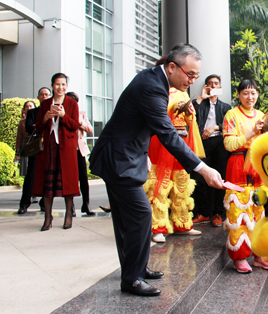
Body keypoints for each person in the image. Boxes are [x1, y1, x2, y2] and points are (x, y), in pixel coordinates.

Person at [89, 44, 223, 297]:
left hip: (125, 156)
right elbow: (167, 134)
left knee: (125, 219)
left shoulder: (155, 81)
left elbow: (141, 125)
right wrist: (203, 169)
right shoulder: (152, 86)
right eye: (190, 74)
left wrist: (144, 155)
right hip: (118, 160)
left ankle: (135, 268)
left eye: (196, 75)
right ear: (172, 67)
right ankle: (132, 279)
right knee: (141, 215)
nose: (192, 81)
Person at [145, 55, 204, 243]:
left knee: (181, 183)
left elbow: (191, 120)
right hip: (160, 142)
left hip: (181, 140)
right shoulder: (157, 89)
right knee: (159, 184)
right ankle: (158, 227)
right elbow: (156, 116)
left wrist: (188, 113)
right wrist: (173, 108)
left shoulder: (183, 92)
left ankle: (182, 224)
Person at [223, 79, 268, 274]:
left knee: (259, 210)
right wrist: (253, 131)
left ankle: (259, 255)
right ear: (238, 95)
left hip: (258, 165)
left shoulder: (262, 115)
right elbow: (229, 144)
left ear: (257, 94)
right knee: (239, 211)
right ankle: (240, 257)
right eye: (245, 93)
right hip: (238, 164)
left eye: (253, 93)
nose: (249, 97)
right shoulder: (232, 115)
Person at [32, 73, 80, 231]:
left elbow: (75, 125)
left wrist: (63, 116)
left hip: (66, 148)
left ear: (66, 86)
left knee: (67, 182)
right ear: (52, 85)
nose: (61, 87)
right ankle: (48, 217)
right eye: (57, 84)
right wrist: (46, 117)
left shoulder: (72, 103)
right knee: (47, 184)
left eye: (63, 84)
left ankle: (68, 215)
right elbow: (39, 127)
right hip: (49, 146)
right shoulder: (46, 103)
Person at [191, 74, 232, 227]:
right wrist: (201, 97)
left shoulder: (226, 107)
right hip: (202, 143)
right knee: (199, 177)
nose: (213, 86)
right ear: (206, 87)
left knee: (220, 178)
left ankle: (218, 213)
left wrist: (214, 127)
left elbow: (229, 126)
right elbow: (190, 115)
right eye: (210, 83)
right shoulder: (200, 104)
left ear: (220, 87)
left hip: (220, 143)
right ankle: (203, 212)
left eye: (216, 83)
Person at [17, 88, 52, 214]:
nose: (44, 96)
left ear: (50, 96)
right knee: (30, 176)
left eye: (46, 94)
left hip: (49, 147)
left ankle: (44, 204)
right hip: (36, 148)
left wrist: (37, 125)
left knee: (47, 176)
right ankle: (24, 204)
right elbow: (28, 127)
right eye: (42, 94)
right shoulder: (32, 112)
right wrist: (42, 125)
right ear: (38, 97)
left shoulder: (53, 111)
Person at [66, 92, 95, 216]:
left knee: (83, 177)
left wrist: (79, 123)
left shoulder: (81, 114)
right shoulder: (62, 114)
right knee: (70, 179)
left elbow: (90, 130)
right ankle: (70, 206)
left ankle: (86, 204)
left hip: (79, 150)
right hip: (68, 150)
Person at [15, 101, 36, 177]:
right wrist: (17, 152)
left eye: (30, 106)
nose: (29, 108)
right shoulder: (22, 122)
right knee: (26, 171)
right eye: (26, 107)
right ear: (24, 110)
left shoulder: (39, 120)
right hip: (26, 146)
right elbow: (19, 138)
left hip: (37, 145)